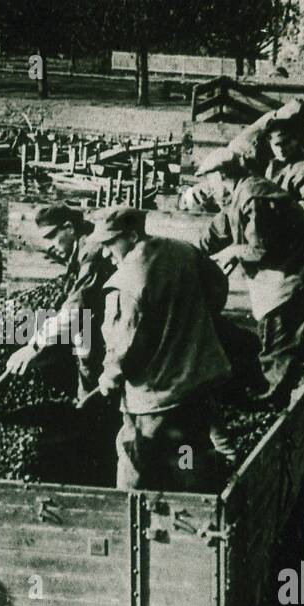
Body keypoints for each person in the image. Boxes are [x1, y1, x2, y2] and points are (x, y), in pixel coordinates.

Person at [93, 208, 232, 491]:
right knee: (188, 448)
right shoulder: (182, 250)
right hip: (198, 381)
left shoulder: (125, 284)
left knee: (135, 458)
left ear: (131, 236)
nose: (106, 253)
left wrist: (109, 378)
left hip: (156, 397)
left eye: (109, 244)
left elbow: (123, 346)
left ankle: (125, 519)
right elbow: (218, 287)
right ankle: (195, 498)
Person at [196, 159, 304, 408]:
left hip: (293, 272)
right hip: (289, 268)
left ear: (221, 176)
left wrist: (234, 251)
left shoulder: (253, 198)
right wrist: (196, 254)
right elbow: (220, 228)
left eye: (210, 180)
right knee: (294, 329)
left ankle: (270, 402)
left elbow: (261, 249)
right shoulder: (240, 192)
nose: (208, 187)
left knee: (277, 335)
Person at [5, 203, 114, 399]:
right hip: (98, 313)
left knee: (86, 349)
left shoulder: (91, 252)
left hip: (115, 320)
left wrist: (34, 346)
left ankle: (91, 406)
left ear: (68, 228)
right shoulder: (81, 243)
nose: (49, 245)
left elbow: (78, 306)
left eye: (51, 236)